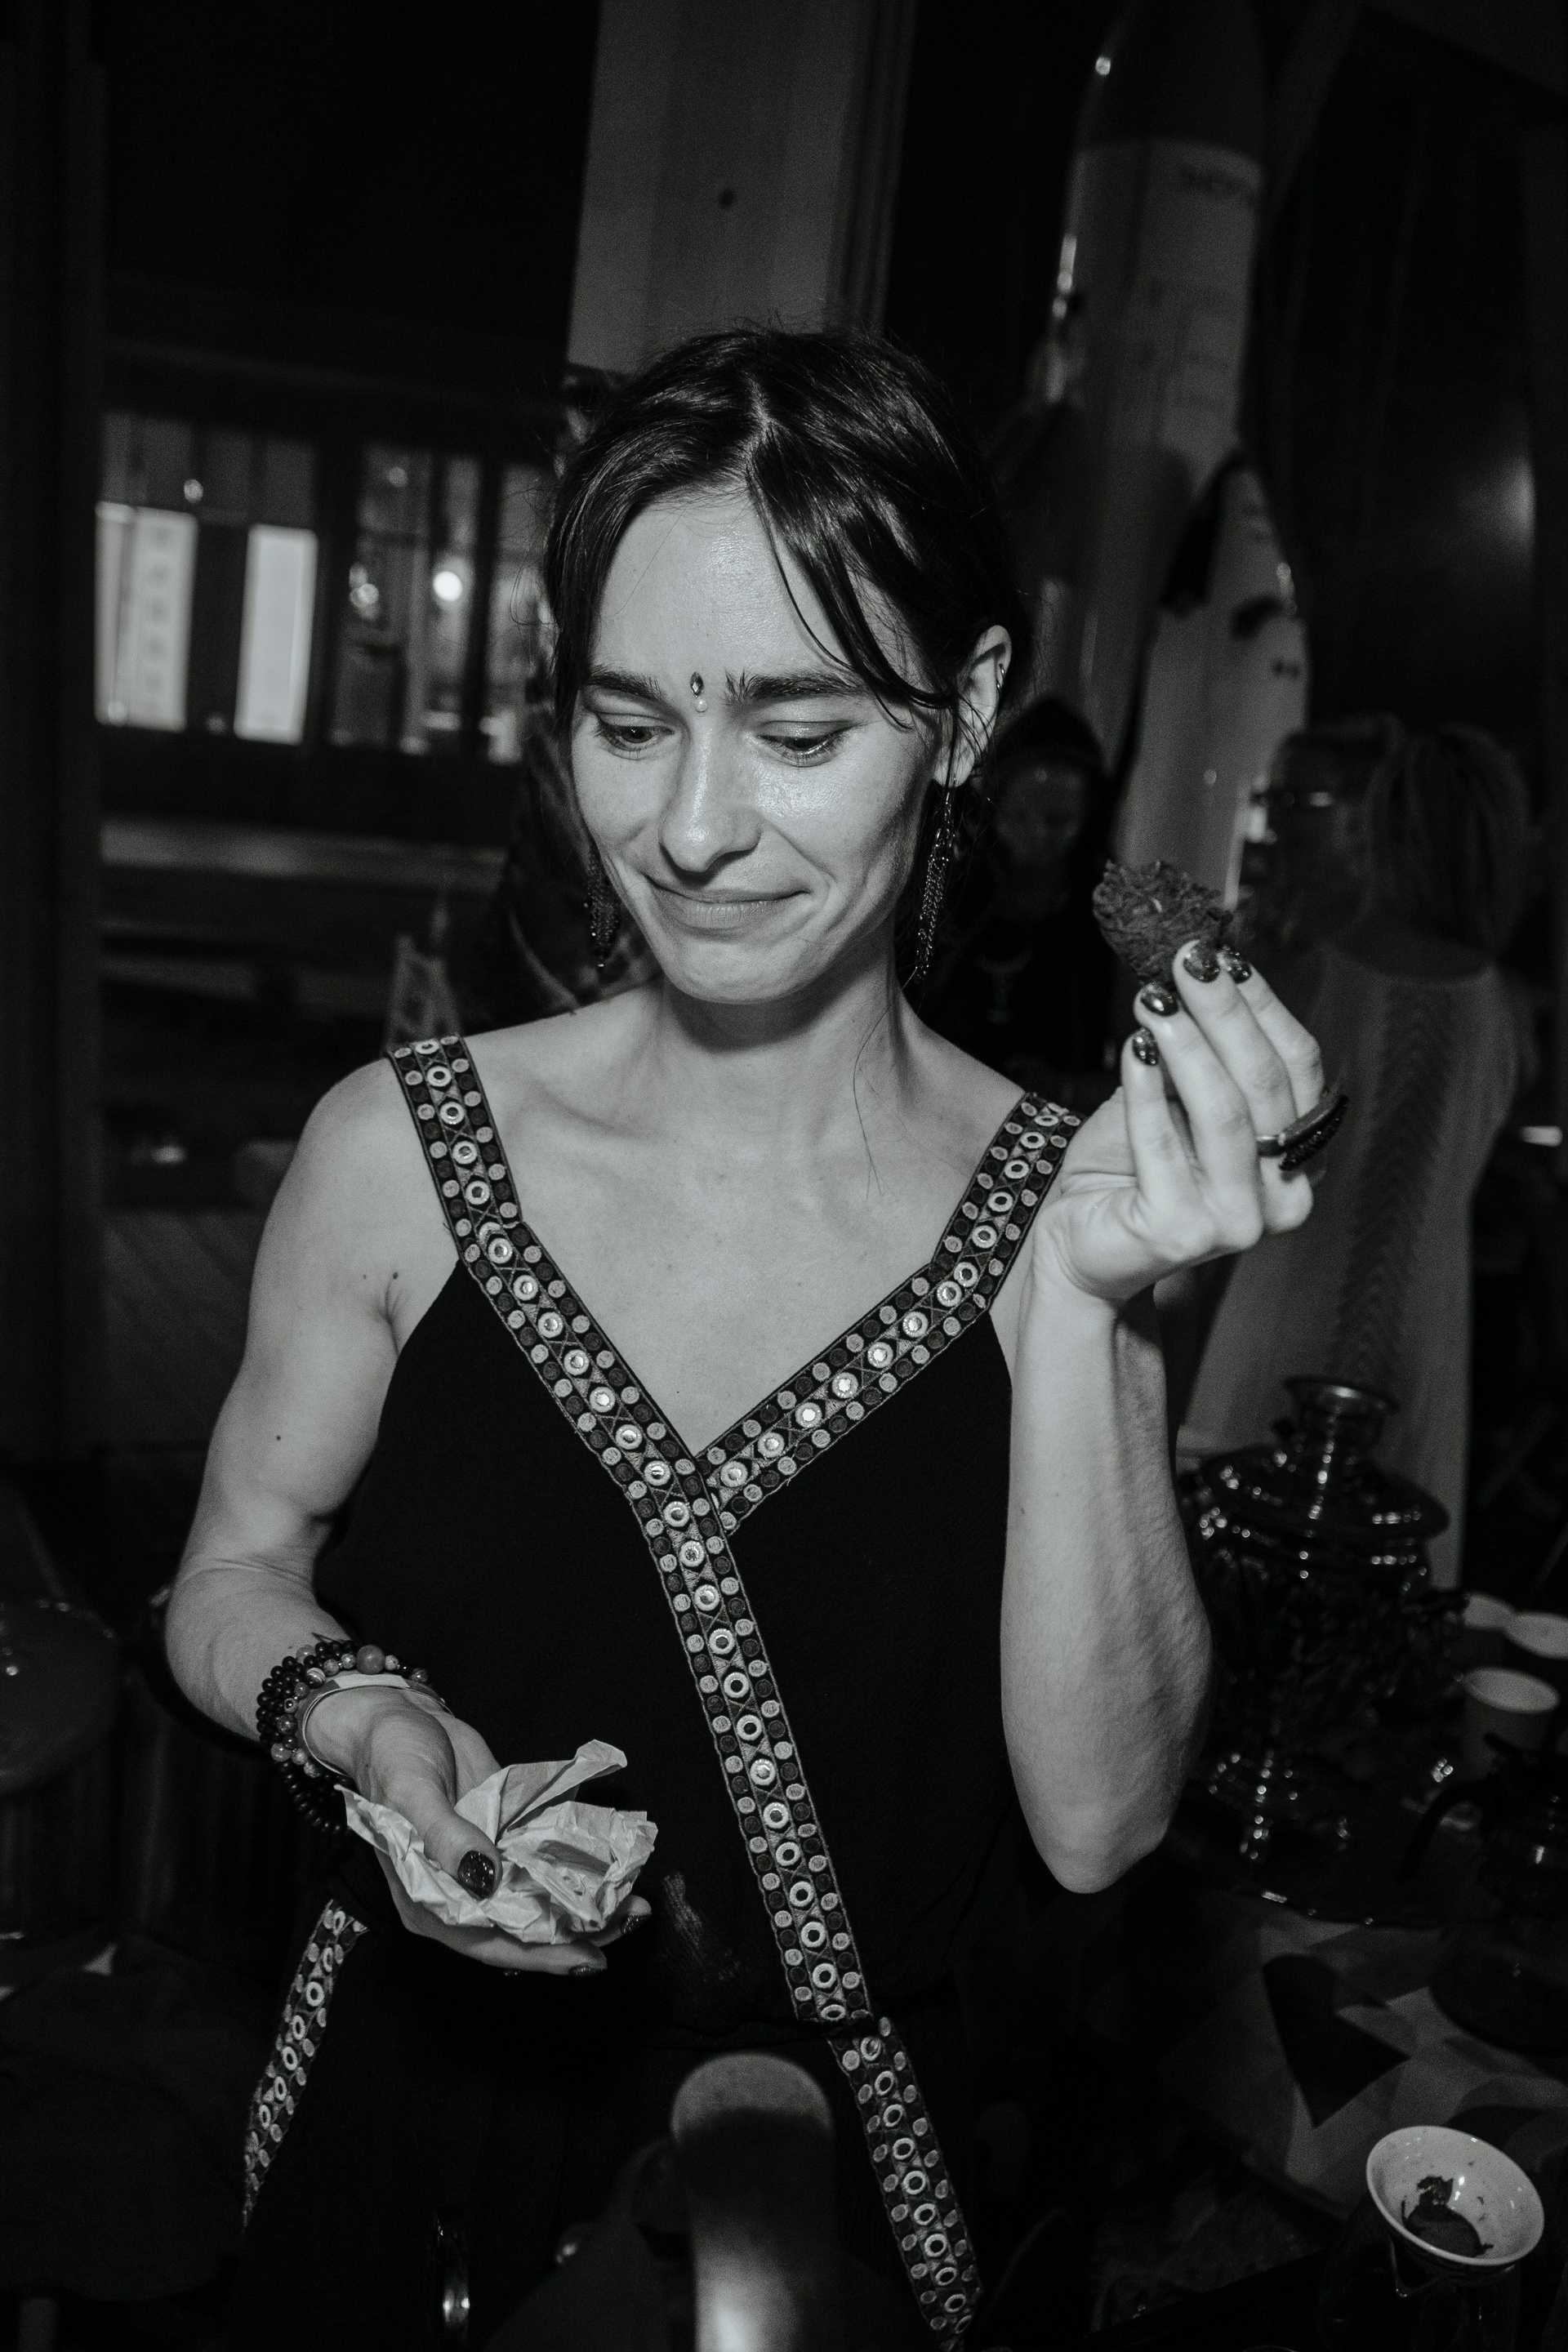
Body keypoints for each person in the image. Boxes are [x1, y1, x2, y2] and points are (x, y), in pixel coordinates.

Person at [165, 327, 1330, 2348]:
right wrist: (366, 1728)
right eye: (630, 724)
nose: (694, 829)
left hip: (824, 2203)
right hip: (407, 2123)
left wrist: (1085, 1312)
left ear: (964, 713)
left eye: (799, 730)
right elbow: (228, 1571)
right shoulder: (400, 1155)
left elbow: (1101, 1824)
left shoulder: (1059, 1211)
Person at [1186, 721, 1531, 1586]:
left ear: (1383, 828)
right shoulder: (1508, 1014)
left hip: (1286, 1302)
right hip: (1423, 1330)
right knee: (1377, 1598)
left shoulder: (1303, 973)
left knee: (1237, 1577)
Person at [920, 695, 1117, 1111]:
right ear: (993, 810)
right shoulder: (945, 903)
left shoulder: (1109, 924)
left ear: (1088, 819)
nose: (1037, 837)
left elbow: (1150, 1072)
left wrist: (1065, 1089)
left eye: (1058, 821)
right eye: (1019, 816)